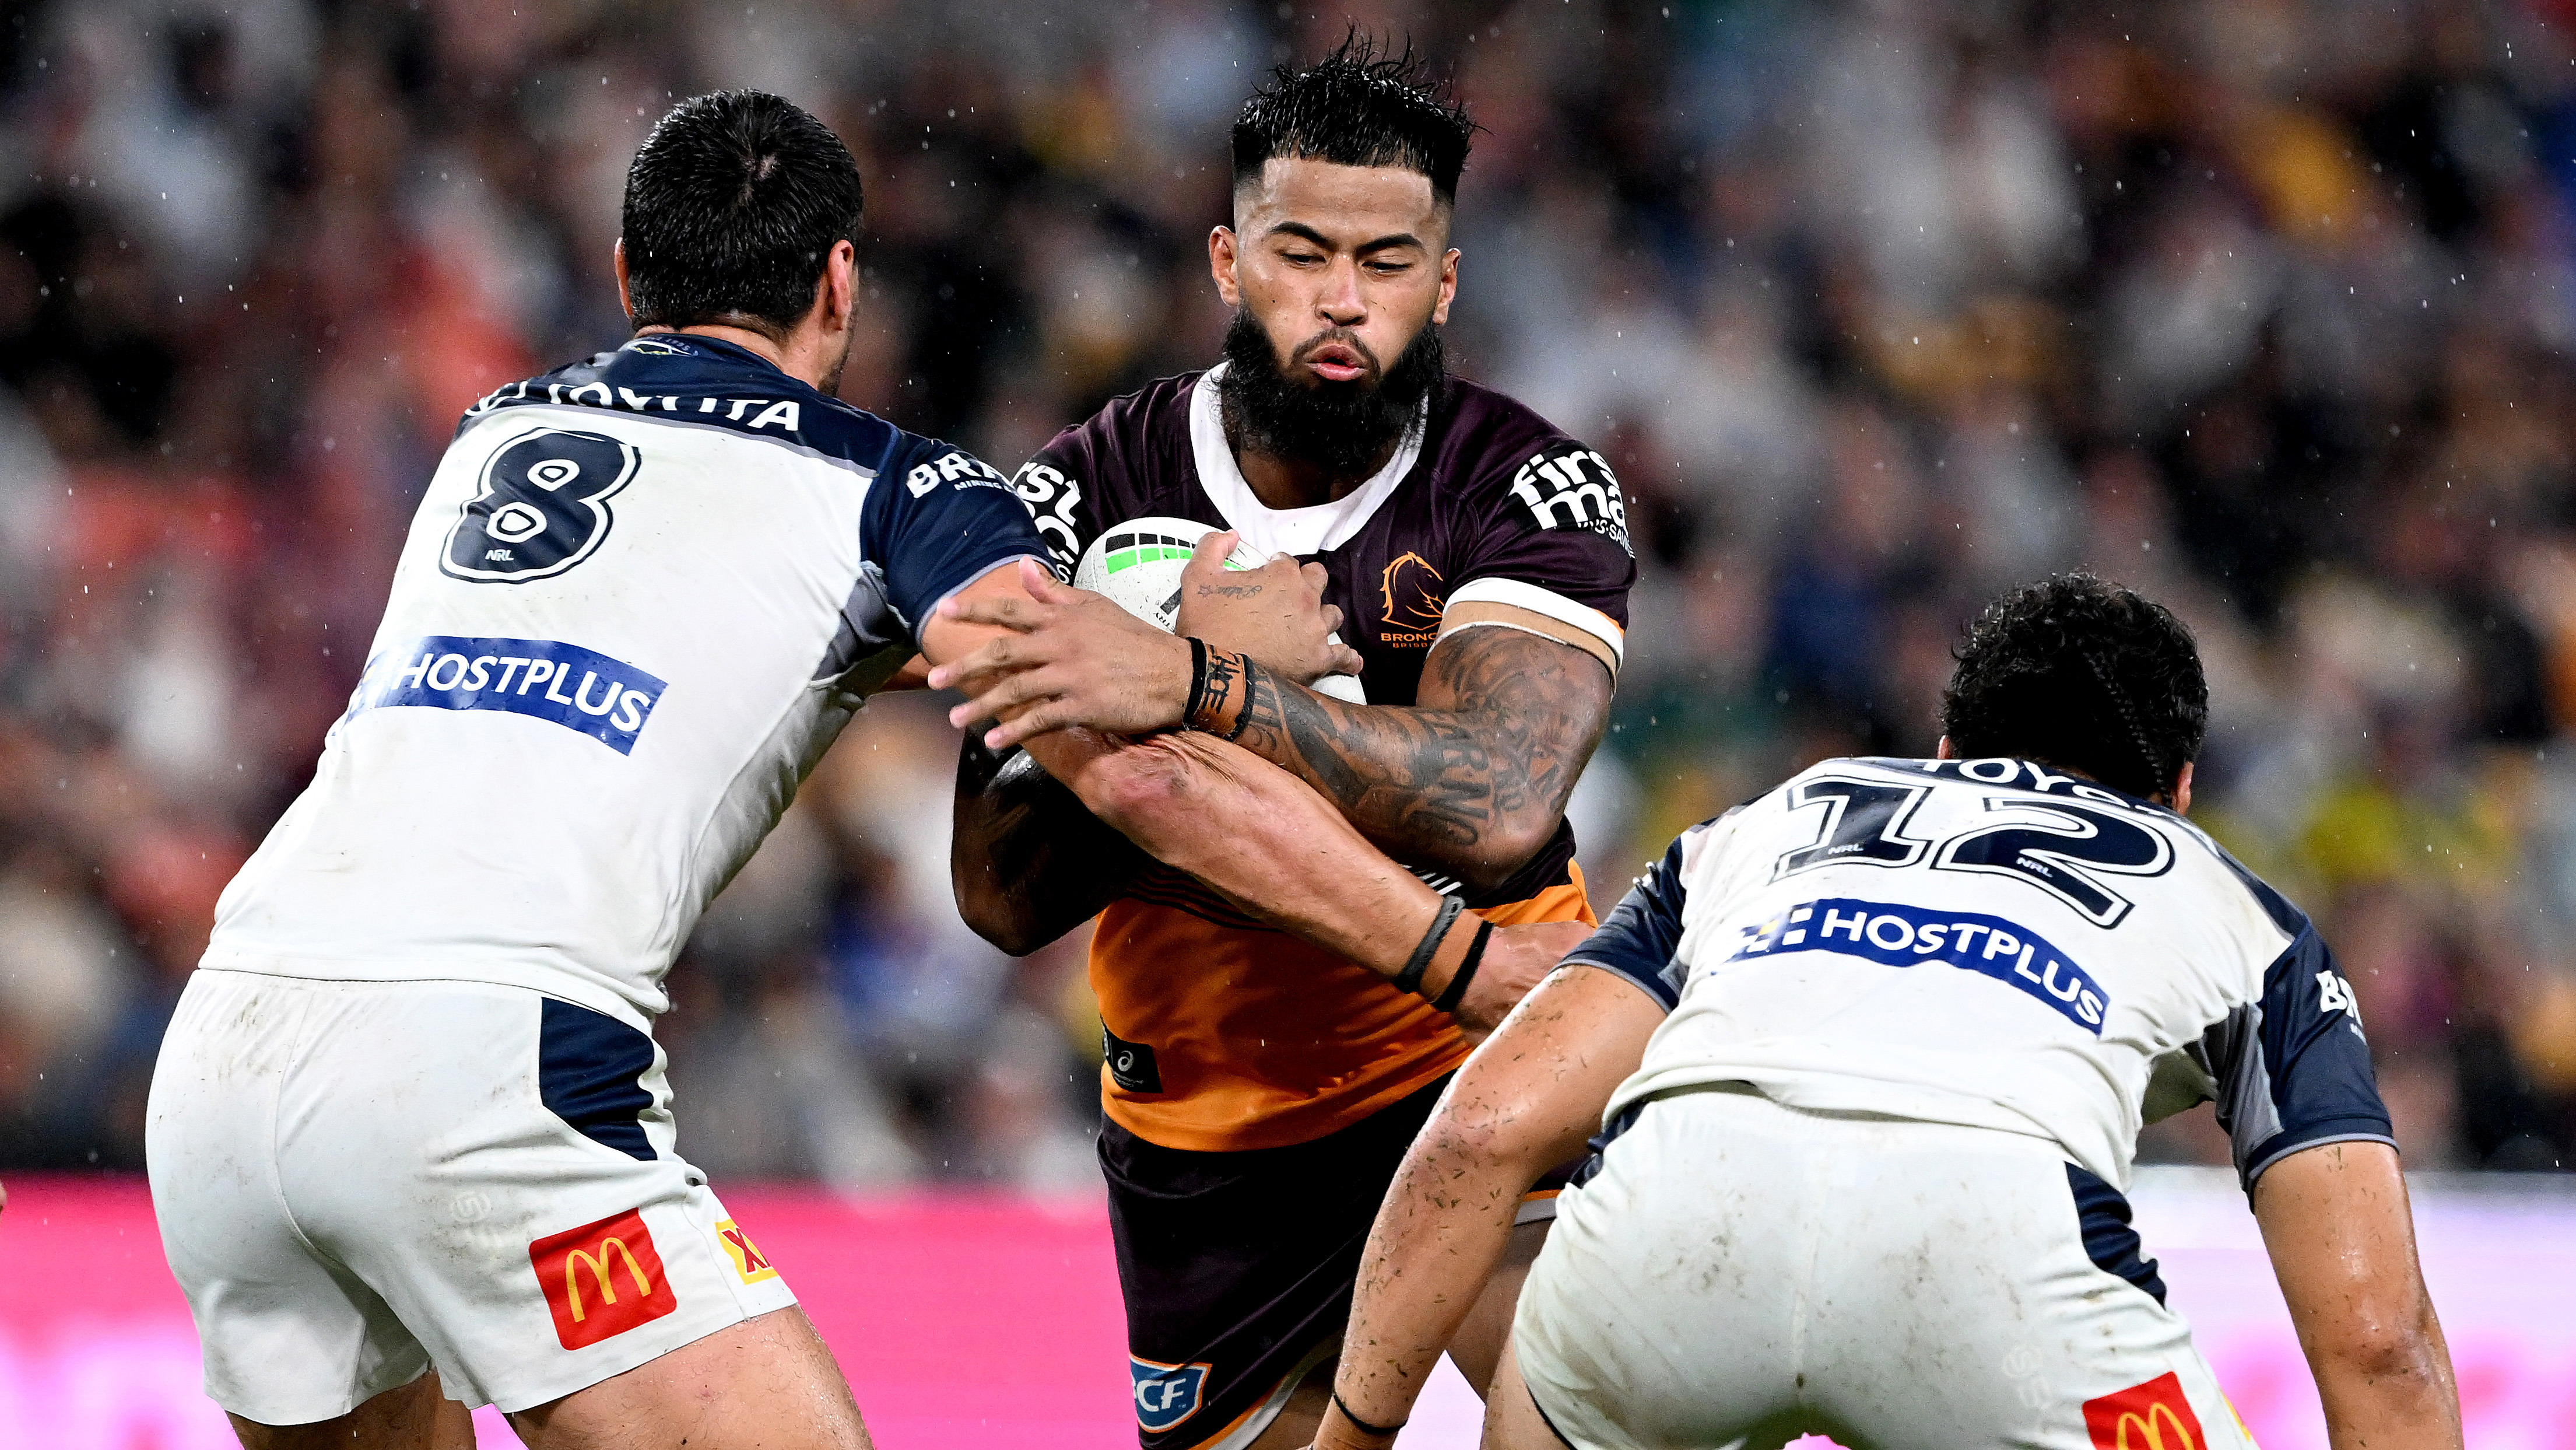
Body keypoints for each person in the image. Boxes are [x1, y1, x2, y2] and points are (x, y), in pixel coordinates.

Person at [141, 89, 1443, 1450]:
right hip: (484, 1062)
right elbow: (1121, 761)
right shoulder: (899, 488)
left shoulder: (492, 436)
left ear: (627, 277)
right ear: (839, 281)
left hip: (227, 1056)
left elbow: (724, 617)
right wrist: (1221, 672)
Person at [1310, 575, 2462, 1450]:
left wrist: (1352, 1435)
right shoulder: (2238, 910)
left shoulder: (1775, 818)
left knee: (1540, 1387)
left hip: (1672, 1241)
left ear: (1945, 751)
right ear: (2180, 791)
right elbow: (2378, 1340)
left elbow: (1481, 1132)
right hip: (2002, 1284)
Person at [933, 36, 1634, 1450]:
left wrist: (1191, 681)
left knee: (1609, 1430)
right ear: (1224, 260)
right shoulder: (1079, 488)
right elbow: (1000, 889)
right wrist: (1174, 669)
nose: (1339, 300)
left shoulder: (1522, 482)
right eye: (1299, 251)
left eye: (1386, 264)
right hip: (1211, 1129)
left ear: (1444, 284)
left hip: (1479, 1059)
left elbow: (1496, 804)